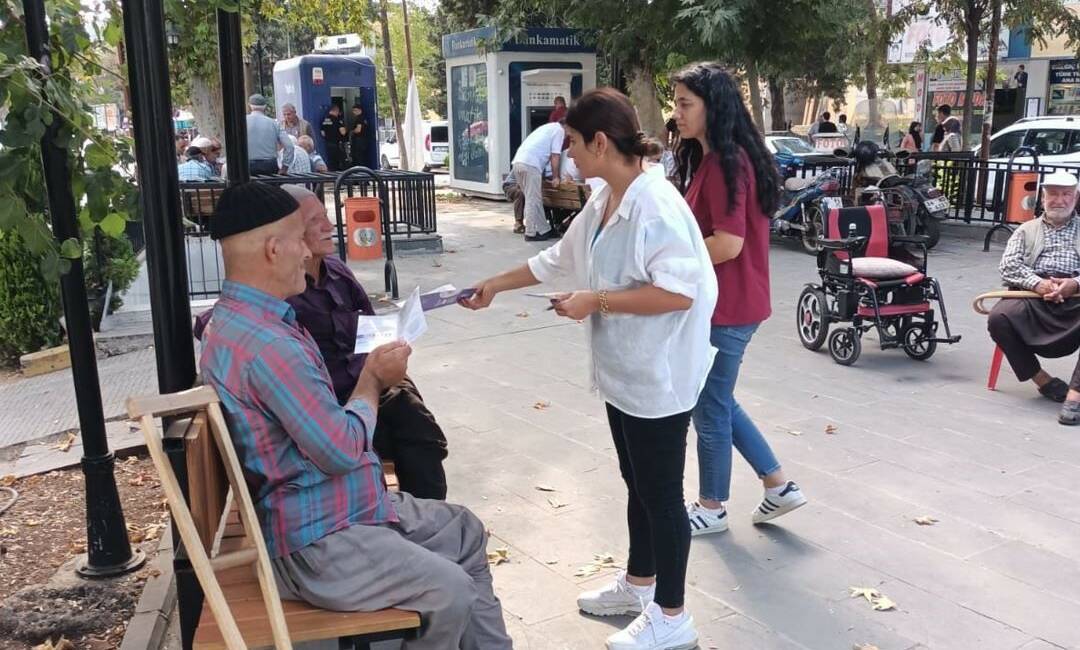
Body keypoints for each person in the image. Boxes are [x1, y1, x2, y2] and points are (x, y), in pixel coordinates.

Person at [198, 182, 512, 649]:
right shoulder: (268, 345)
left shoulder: (245, 321)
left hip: (344, 508)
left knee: (464, 530)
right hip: (321, 539)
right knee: (450, 591)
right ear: (273, 248)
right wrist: (372, 380)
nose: (308, 251)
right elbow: (342, 450)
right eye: (301, 239)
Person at [461, 87, 717, 650]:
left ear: (601, 142)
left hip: (659, 374)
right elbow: (556, 259)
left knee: (663, 496)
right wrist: (494, 287)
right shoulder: (605, 199)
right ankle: (639, 584)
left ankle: (672, 618)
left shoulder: (656, 203)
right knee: (638, 483)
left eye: (574, 143)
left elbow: (678, 294)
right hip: (624, 370)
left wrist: (594, 302)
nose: (569, 154)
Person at [671, 63, 806, 538]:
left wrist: (666, 261)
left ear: (715, 106)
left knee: (708, 408)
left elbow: (728, 243)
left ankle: (712, 507)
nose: (677, 112)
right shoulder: (715, 159)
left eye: (686, 103)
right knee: (718, 400)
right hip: (730, 304)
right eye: (677, 102)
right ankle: (778, 485)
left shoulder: (729, 164)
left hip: (727, 307)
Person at [988, 171, 1080, 425]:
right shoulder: (1025, 230)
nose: (1059, 200)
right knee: (998, 318)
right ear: (1042, 198)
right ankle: (1043, 381)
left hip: (1075, 295)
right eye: (1052, 194)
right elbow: (1008, 267)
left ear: (1076, 197)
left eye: (1066, 194)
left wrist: (1074, 283)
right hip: (1032, 293)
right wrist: (1039, 284)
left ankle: (1075, 394)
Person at [511, 121, 565, 241]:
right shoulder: (559, 130)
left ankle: (545, 229)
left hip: (518, 162)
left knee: (535, 199)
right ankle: (530, 233)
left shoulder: (546, 128)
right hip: (531, 164)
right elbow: (555, 155)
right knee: (533, 200)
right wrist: (556, 177)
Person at [246, 94, 294, 176]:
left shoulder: (241, 122)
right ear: (265, 106)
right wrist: (284, 167)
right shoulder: (274, 123)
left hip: (247, 165)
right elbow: (289, 146)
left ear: (250, 105)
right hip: (269, 166)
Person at [320, 103, 348, 172]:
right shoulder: (338, 120)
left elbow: (323, 133)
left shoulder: (324, 120)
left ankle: (333, 178)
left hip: (328, 144)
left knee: (332, 162)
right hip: (337, 144)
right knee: (342, 161)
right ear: (336, 111)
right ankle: (344, 178)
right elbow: (343, 132)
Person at [502, 168, 527, 234]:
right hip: (510, 185)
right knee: (520, 193)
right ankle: (518, 223)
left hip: (523, 185)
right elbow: (519, 184)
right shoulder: (524, 164)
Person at [349, 104, 372, 168]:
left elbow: (358, 130)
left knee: (358, 157)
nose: (353, 112)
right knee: (362, 157)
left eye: (355, 110)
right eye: (353, 110)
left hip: (359, 141)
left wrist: (352, 131)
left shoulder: (359, 118)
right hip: (364, 140)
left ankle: (360, 172)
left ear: (360, 110)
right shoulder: (364, 118)